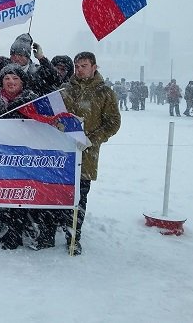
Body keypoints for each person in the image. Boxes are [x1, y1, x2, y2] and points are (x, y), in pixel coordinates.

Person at [61, 52, 121, 255]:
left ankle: (73, 236)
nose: (79, 69)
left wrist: (91, 140)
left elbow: (113, 122)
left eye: (84, 66)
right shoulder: (65, 90)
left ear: (94, 67)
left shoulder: (104, 92)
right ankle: (60, 227)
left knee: (80, 196)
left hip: (87, 155)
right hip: (63, 152)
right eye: (77, 66)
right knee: (60, 193)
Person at [0, 64, 38, 250]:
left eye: (15, 78)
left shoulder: (32, 100)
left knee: (20, 192)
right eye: (7, 78)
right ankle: (10, 229)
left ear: (22, 82)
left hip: (23, 155)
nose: (11, 82)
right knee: (6, 192)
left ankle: (17, 232)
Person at [0, 9, 61, 95]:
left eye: (21, 55)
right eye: (14, 55)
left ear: (28, 57)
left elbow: (56, 80)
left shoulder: (37, 71)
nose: (17, 58)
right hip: (6, 108)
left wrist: (42, 58)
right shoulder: (3, 66)